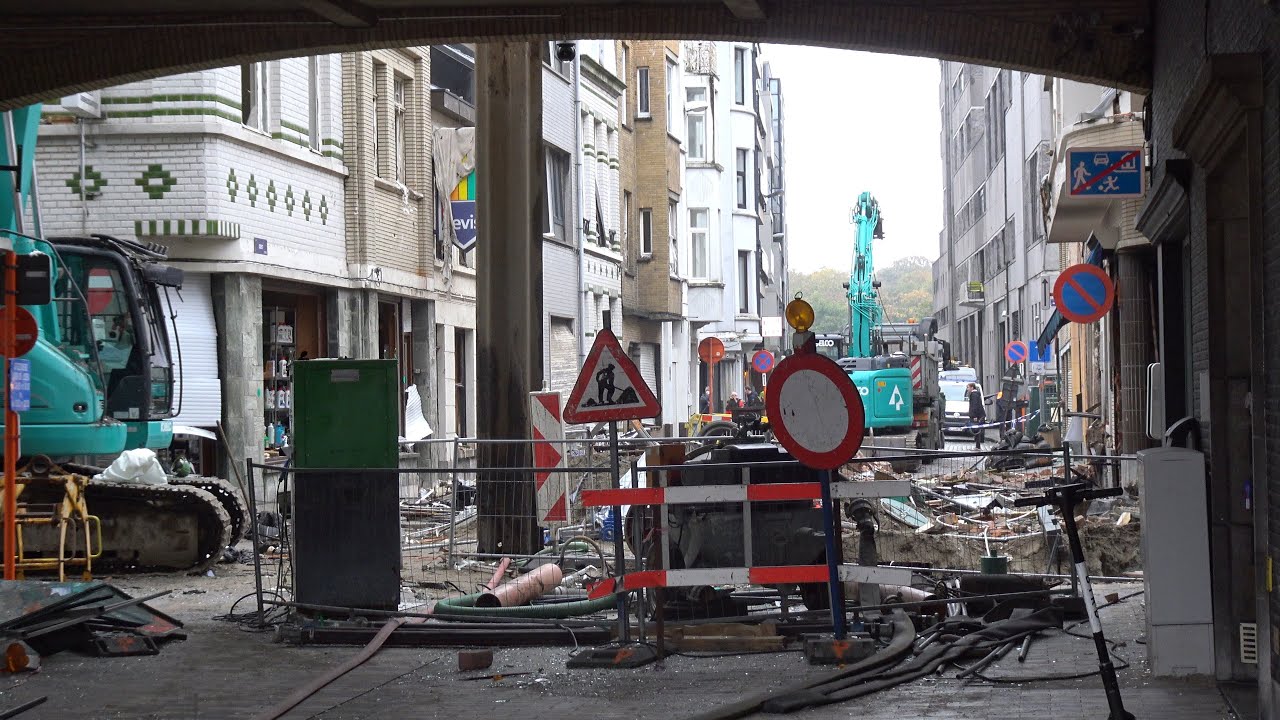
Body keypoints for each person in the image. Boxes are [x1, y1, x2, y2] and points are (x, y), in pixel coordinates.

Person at [966, 382, 986, 448]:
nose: (967, 389)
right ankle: (977, 446)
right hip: (978, 415)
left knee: (977, 431)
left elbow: (975, 406)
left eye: (968, 387)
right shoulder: (975, 394)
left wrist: (974, 416)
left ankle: (978, 446)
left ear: (972, 387)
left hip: (977, 416)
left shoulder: (974, 395)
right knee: (976, 430)